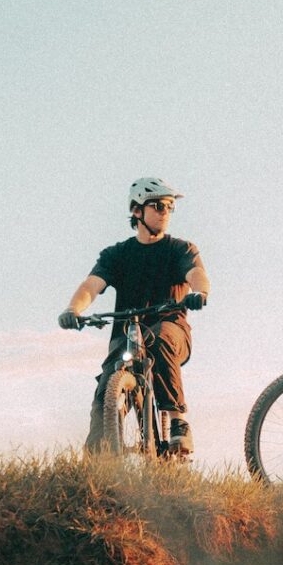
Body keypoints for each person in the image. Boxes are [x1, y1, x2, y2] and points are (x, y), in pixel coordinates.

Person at [59, 178, 211, 455]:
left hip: (171, 330)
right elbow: (91, 286)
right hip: (126, 337)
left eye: (170, 207)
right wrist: (73, 310)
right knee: (106, 388)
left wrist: (200, 292)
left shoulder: (180, 249)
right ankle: (97, 461)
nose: (165, 212)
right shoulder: (118, 255)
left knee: (159, 338)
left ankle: (178, 422)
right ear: (137, 211)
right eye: (158, 206)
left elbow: (196, 274)